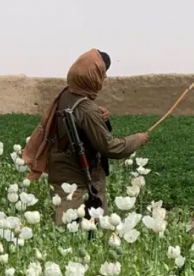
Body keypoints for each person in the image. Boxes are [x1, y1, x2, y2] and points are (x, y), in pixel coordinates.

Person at [22, 48, 149, 225]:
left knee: (64, 228)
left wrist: (99, 116)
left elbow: (80, 121)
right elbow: (110, 147)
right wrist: (138, 139)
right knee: (80, 231)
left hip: (61, 171)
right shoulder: (86, 109)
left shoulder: (66, 95)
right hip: (81, 179)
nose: (104, 79)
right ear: (91, 76)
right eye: (102, 74)